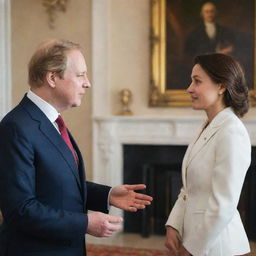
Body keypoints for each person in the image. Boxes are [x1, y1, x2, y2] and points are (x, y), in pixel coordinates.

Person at [0, 39, 153, 256]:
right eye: (80, 75)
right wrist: (85, 223)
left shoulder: (50, 120)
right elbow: (20, 210)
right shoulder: (16, 127)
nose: (87, 83)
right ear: (52, 77)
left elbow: (58, 183)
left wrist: (107, 195)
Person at [165, 53, 251, 256]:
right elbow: (189, 190)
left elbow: (224, 204)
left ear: (221, 86)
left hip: (218, 247)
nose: (189, 88)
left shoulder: (232, 131)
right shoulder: (207, 125)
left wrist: (191, 248)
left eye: (197, 81)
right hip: (197, 241)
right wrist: (173, 225)